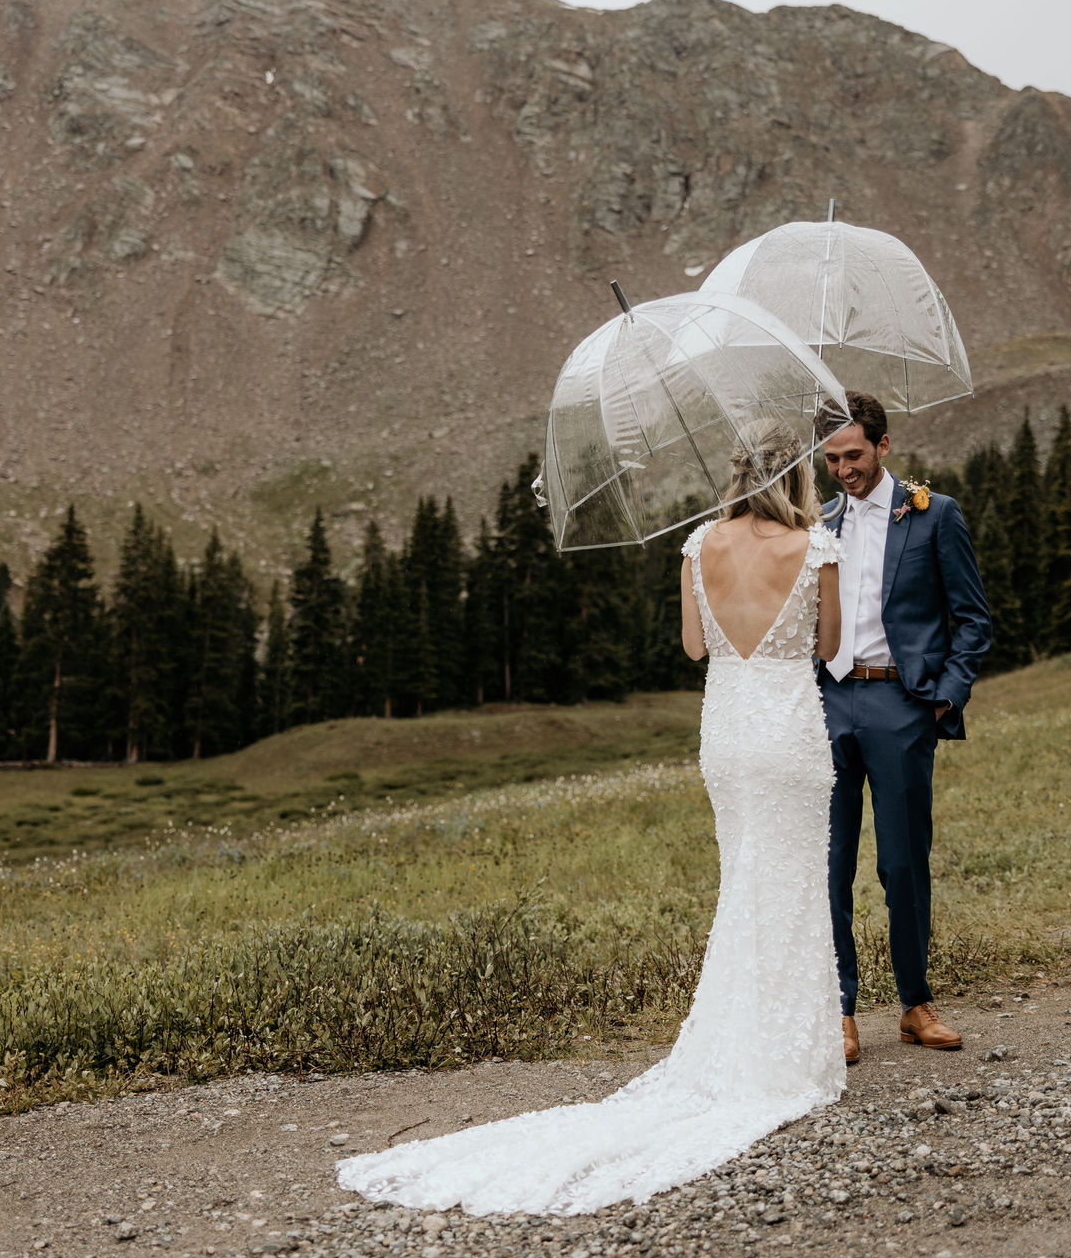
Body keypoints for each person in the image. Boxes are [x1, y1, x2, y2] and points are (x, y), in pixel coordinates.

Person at [337, 423, 845, 1215]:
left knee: (743, 879)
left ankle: (737, 1050)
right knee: (786, 882)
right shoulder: (814, 549)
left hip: (729, 730)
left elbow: (691, 649)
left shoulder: (698, 547)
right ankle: (785, 1056)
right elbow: (830, 643)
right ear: (798, 476)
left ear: (739, 473)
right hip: (789, 727)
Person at [815, 392, 992, 1061]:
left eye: (854, 454)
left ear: (883, 446)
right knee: (829, 864)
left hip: (902, 706)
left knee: (902, 863)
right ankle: (839, 1011)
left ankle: (916, 1004)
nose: (844, 468)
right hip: (830, 703)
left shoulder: (933, 512)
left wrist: (943, 699)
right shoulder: (821, 523)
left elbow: (973, 619)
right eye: (832, 458)